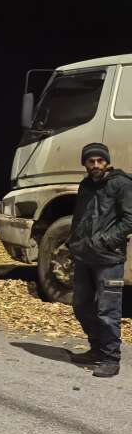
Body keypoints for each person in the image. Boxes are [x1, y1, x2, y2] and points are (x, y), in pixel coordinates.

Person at [67, 143, 130, 378]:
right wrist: (73, 243)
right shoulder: (86, 185)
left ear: (107, 162)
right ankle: (96, 349)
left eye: (99, 161)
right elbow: (80, 218)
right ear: (84, 163)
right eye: (90, 161)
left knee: (107, 311)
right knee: (81, 306)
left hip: (109, 258)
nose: (95, 165)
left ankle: (111, 358)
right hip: (84, 256)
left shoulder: (121, 184)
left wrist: (104, 240)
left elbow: (129, 220)